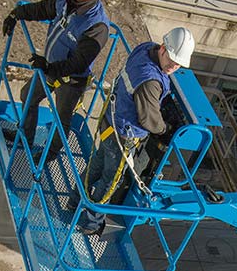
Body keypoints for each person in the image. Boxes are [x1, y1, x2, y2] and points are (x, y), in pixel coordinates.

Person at [80, 27, 195, 236]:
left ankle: (74, 199)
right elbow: (148, 119)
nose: (173, 66)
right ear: (163, 48)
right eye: (171, 59)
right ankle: (91, 223)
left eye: (178, 64)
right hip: (124, 136)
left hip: (111, 121)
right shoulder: (151, 82)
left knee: (96, 163)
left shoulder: (145, 50)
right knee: (110, 180)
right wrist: (166, 129)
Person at [2, 0, 110, 159]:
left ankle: (49, 154)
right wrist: (15, 14)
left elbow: (78, 63)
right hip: (50, 68)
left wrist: (49, 67)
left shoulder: (96, 26)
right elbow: (43, 9)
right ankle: (26, 136)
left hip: (71, 80)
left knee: (61, 120)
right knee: (28, 95)